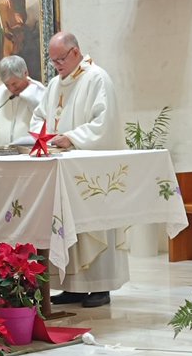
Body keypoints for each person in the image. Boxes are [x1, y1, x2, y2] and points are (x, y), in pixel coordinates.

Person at [30, 32, 127, 308]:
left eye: (61, 59)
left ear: (75, 52)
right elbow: (39, 117)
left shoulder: (97, 78)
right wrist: (44, 135)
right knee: (69, 226)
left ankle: (100, 286)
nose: (57, 65)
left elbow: (104, 123)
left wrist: (72, 137)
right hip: (64, 169)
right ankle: (73, 286)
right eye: (53, 61)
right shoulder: (54, 85)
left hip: (91, 170)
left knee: (93, 225)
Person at [0, 54, 44, 149]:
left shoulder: (42, 95)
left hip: (32, 157)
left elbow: (50, 128)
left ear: (25, 73)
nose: (11, 89)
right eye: (7, 85)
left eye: (14, 83)